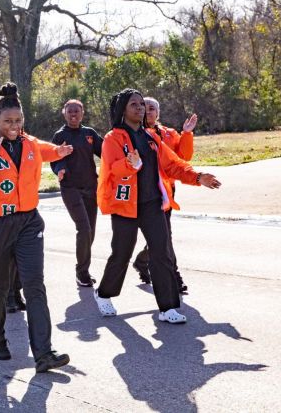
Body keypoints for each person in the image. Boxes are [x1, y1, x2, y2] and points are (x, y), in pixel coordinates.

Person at [0, 82, 73, 373]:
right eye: (7, 121)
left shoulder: (29, 143)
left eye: (18, 121)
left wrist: (60, 151)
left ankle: (44, 353)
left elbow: (43, 150)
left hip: (28, 223)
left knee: (34, 285)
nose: (13, 126)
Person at [93, 89, 221, 324]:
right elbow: (112, 170)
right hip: (125, 207)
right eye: (134, 104)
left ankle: (168, 307)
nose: (140, 108)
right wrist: (130, 165)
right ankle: (104, 293)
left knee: (161, 253)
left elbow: (173, 165)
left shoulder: (152, 138)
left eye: (142, 104)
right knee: (121, 254)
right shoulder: (113, 138)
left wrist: (197, 176)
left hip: (152, 204)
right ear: (123, 109)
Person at [132, 96, 197, 293]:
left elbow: (183, 158)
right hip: (145, 191)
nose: (148, 111)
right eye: (145, 107)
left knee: (162, 234)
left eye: (152, 108)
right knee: (163, 235)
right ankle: (173, 277)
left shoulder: (169, 133)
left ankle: (143, 261)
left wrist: (186, 134)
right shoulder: (135, 134)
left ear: (158, 113)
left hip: (166, 191)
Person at [50, 99, 104, 287]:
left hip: (91, 187)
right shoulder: (60, 135)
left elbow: (105, 151)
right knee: (84, 229)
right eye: (70, 111)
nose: (73, 114)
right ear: (63, 113)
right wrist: (60, 169)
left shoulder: (89, 133)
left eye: (77, 111)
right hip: (71, 188)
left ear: (82, 113)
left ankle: (83, 269)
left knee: (91, 232)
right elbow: (54, 158)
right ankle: (82, 272)